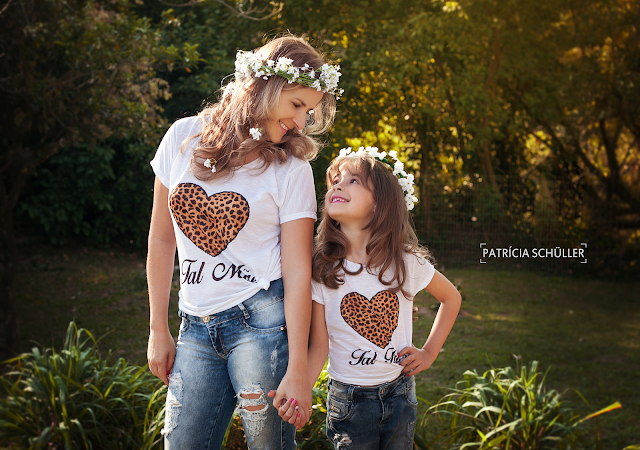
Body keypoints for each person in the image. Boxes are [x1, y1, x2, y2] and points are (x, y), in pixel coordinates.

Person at [146, 35, 342, 449]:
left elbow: (296, 270)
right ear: (266, 88)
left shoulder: (292, 169)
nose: (300, 122)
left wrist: (298, 369)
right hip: (194, 327)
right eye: (296, 106)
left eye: (308, 111)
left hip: (262, 325)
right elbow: (162, 240)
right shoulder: (181, 137)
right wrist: (157, 328)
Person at [276, 147, 461, 448]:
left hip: (400, 394)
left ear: (381, 204)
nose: (337, 184)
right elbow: (320, 345)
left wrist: (429, 353)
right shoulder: (322, 269)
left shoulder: (405, 261)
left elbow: (451, 298)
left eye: (353, 181)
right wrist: (302, 391)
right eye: (335, 180)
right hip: (348, 402)